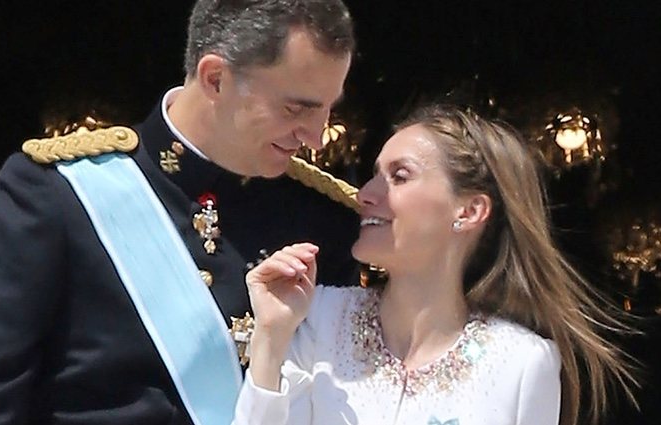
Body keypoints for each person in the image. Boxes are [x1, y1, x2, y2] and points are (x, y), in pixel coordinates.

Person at [0, 1, 358, 424]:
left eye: (327, 109)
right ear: (216, 79)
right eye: (296, 109)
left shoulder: (324, 220)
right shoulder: (57, 195)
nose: (317, 139)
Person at [234, 104, 638, 425]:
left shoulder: (523, 363)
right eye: (375, 175)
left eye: (399, 176)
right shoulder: (316, 317)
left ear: (469, 210)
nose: (366, 195)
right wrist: (270, 340)